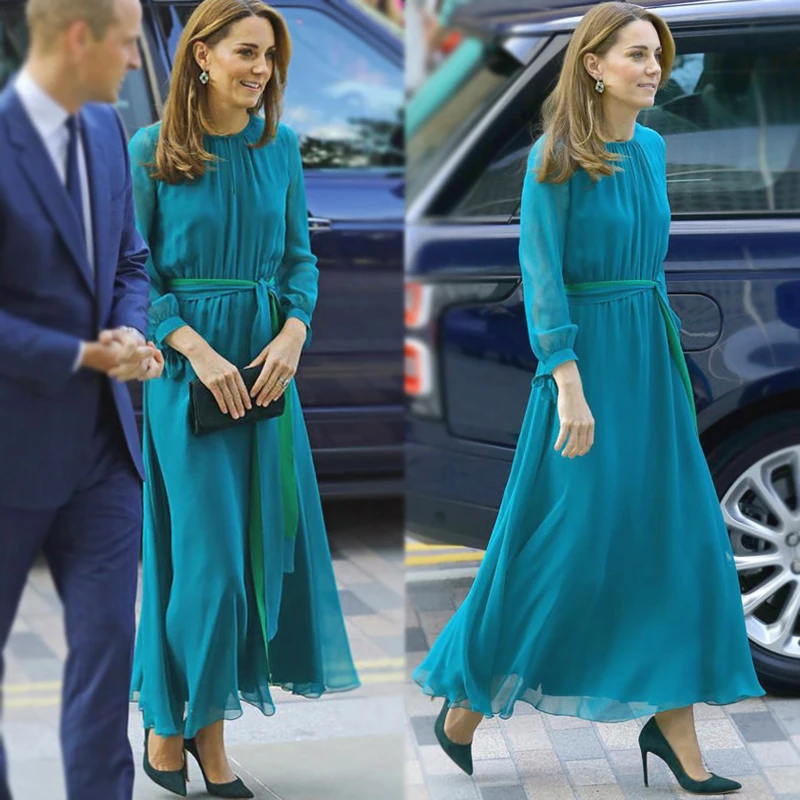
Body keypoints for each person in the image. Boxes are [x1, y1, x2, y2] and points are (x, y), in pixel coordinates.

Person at [412, 3, 765, 795]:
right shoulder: (553, 160)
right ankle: (465, 699)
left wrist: (666, 365)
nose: (654, 69)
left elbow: (648, 265)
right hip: (584, 371)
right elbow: (542, 277)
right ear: (594, 66)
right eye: (639, 54)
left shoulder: (652, 147)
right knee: (560, 552)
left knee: (672, 546)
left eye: (659, 56)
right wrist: (567, 379)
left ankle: (677, 732)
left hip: (649, 363)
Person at [128, 0, 359, 796]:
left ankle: (190, 732)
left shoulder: (281, 147)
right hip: (186, 375)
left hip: (265, 371)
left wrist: (295, 330)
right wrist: (190, 346)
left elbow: (301, 261)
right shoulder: (150, 152)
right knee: (209, 566)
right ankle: (180, 728)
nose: (261, 71)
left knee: (260, 556)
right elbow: (134, 276)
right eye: (246, 53)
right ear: (200, 57)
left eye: (270, 58)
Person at [0, 0, 164, 797]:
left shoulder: (105, 131)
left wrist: (128, 335)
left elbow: (130, 262)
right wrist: (78, 354)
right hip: (9, 452)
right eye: (129, 44)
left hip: (106, 453)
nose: (136, 62)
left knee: (106, 667)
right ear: (79, 38)